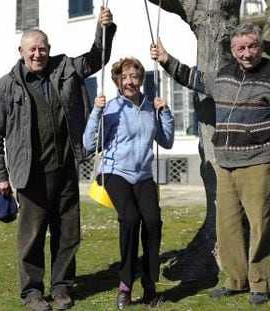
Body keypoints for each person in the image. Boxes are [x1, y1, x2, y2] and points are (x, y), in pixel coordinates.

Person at [150, 23, 270, 306]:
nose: (247, 53)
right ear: (233, 52)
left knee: (260, 225)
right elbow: (194, 78)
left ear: (260, 47)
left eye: (252, 46)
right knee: (228, 225)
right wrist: (166, 60)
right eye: (241, 48)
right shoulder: (223, 76)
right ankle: (236, 280)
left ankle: (260, 283)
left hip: (261, 162)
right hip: (225, 163)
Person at [0, 7, 116, 311]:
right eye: (32, 49)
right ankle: (32, 293)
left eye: (42, 48)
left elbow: (97, 57)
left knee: (68, 234)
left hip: (66, 168)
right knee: (31, 238)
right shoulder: (6, 85)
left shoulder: (66, 68)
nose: (38, 54)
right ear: (21, 51)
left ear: (49, 49)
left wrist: (104, 28)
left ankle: (61, 288)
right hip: (30, 173)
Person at [83, 57, 175, 309]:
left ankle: (150, 285)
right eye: (124, 77)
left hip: (143, 175)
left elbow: (167, 141)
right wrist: (96, 111)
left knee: (153, 221)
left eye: (134, 76)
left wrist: (165, 113)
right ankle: (125, 285)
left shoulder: (149, 107)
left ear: (141, 79)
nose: (130, 81)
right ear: (117, 81)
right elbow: (90, 145)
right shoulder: (111, 108)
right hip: (115, 173)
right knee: (131, 219)